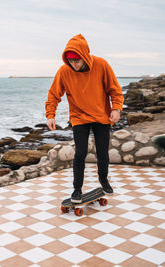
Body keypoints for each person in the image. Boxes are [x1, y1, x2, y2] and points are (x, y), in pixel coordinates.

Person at [45, 34, 124, 203]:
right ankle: (77, 189)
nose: (73, 64)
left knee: (102, 152)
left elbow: (115, 90)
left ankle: (103, 179)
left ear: (84, 55)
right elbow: (54, 94)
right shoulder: (64, 71)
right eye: (70, 61)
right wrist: (50, 115)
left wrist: (116, 108)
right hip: (79, 117)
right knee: (80, 153)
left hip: (101, 116)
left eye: (76, 60)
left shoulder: (101, 65)